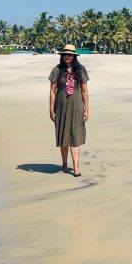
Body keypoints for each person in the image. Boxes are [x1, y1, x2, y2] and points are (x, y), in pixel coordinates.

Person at [48, 44, 90, 176]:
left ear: (74, 56)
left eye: (69, 55)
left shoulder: (80, 70)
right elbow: (52, 91)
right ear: (62, 56)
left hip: (77, 107)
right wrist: (51, 109)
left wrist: (86, 109)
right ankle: (65, 165)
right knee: (63, 137)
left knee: (75, 137)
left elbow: (84, 91)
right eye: (65, 55)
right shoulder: (57, 70)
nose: (67, 57)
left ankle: (76, 168)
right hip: (61, 108)